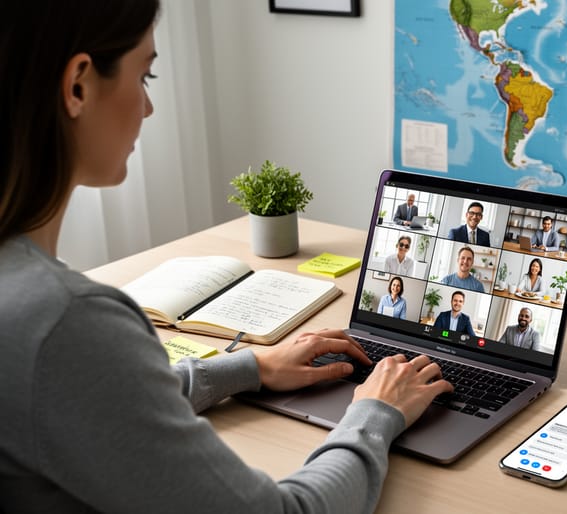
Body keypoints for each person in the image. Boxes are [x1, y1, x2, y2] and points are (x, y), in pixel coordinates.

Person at [0, 3, 453, 512]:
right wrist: (375, 411)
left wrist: (251, 367)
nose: (148, 108)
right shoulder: (66, 321)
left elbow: (94, 402)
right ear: (78, 85)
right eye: (144, 75)